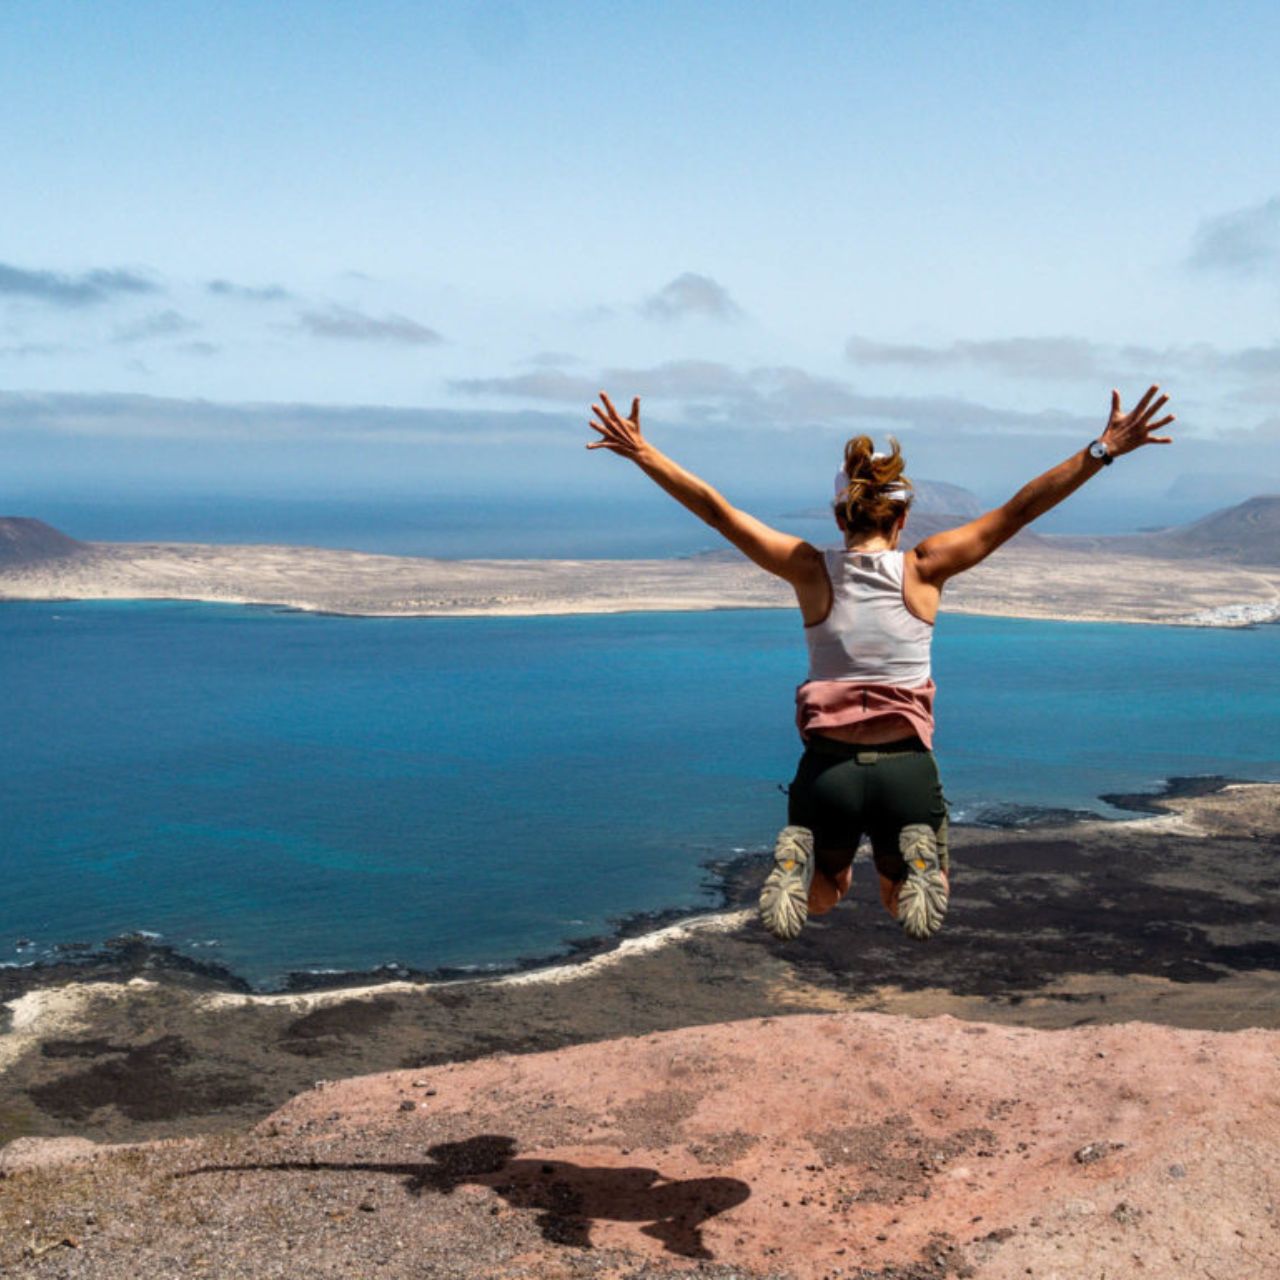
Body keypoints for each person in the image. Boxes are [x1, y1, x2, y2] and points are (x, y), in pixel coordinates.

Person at [587, 386, 1174, 943]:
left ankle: (797, 859)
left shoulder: (809, 569)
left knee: (824, 893)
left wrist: (642, 452)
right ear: (901, 520)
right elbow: (1018, 511)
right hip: (906, 772)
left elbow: (718, 513)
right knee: (908, 899)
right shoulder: (924, 568)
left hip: (827, 774)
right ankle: (920, 860)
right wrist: (1102, 451)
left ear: (840, 518)